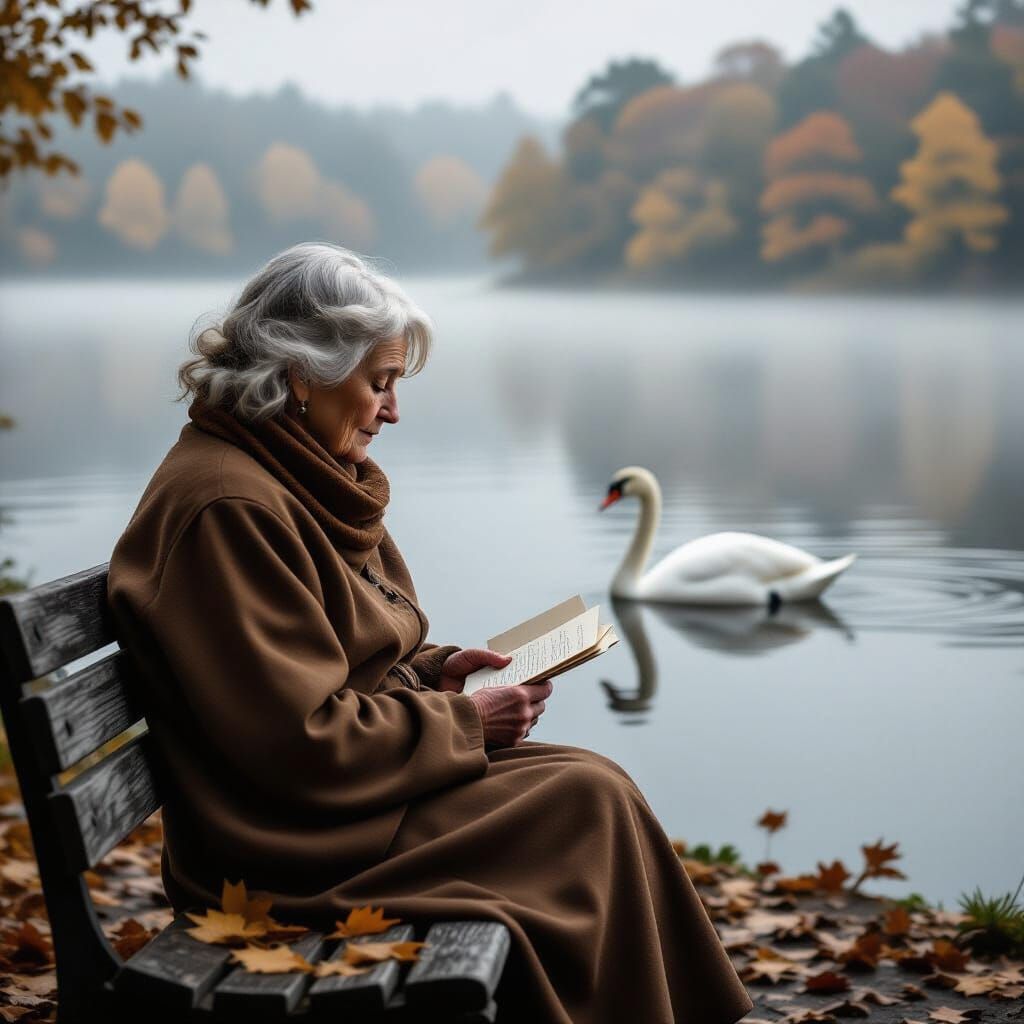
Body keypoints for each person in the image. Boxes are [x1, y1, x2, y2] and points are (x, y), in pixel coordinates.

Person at [106, 241, 754, 1024]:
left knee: (596, 783)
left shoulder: (291, 473)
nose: (393, 410)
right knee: (586, 803)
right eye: (379, 383)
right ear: (301, 376)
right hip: (286, 848)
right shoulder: (229, 508)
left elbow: (338, 669)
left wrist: (434, 675)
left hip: (342, 807)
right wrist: (467, 720)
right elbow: (300, 740)